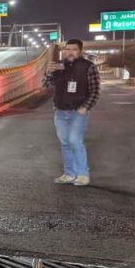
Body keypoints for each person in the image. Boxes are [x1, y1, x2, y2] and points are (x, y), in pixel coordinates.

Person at [44, 39, 100, 186]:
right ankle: (69, 174)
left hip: (78, 111)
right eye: (67, 49)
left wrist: (85, 107)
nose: (70, 52)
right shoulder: (59, 66)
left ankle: (83, 174)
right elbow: (46, 85)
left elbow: (95, 90)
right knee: (65, 143)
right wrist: (48, 73)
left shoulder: (88, 67)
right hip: (60, 112)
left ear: (80, 51)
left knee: (75, 141)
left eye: (74, 49)